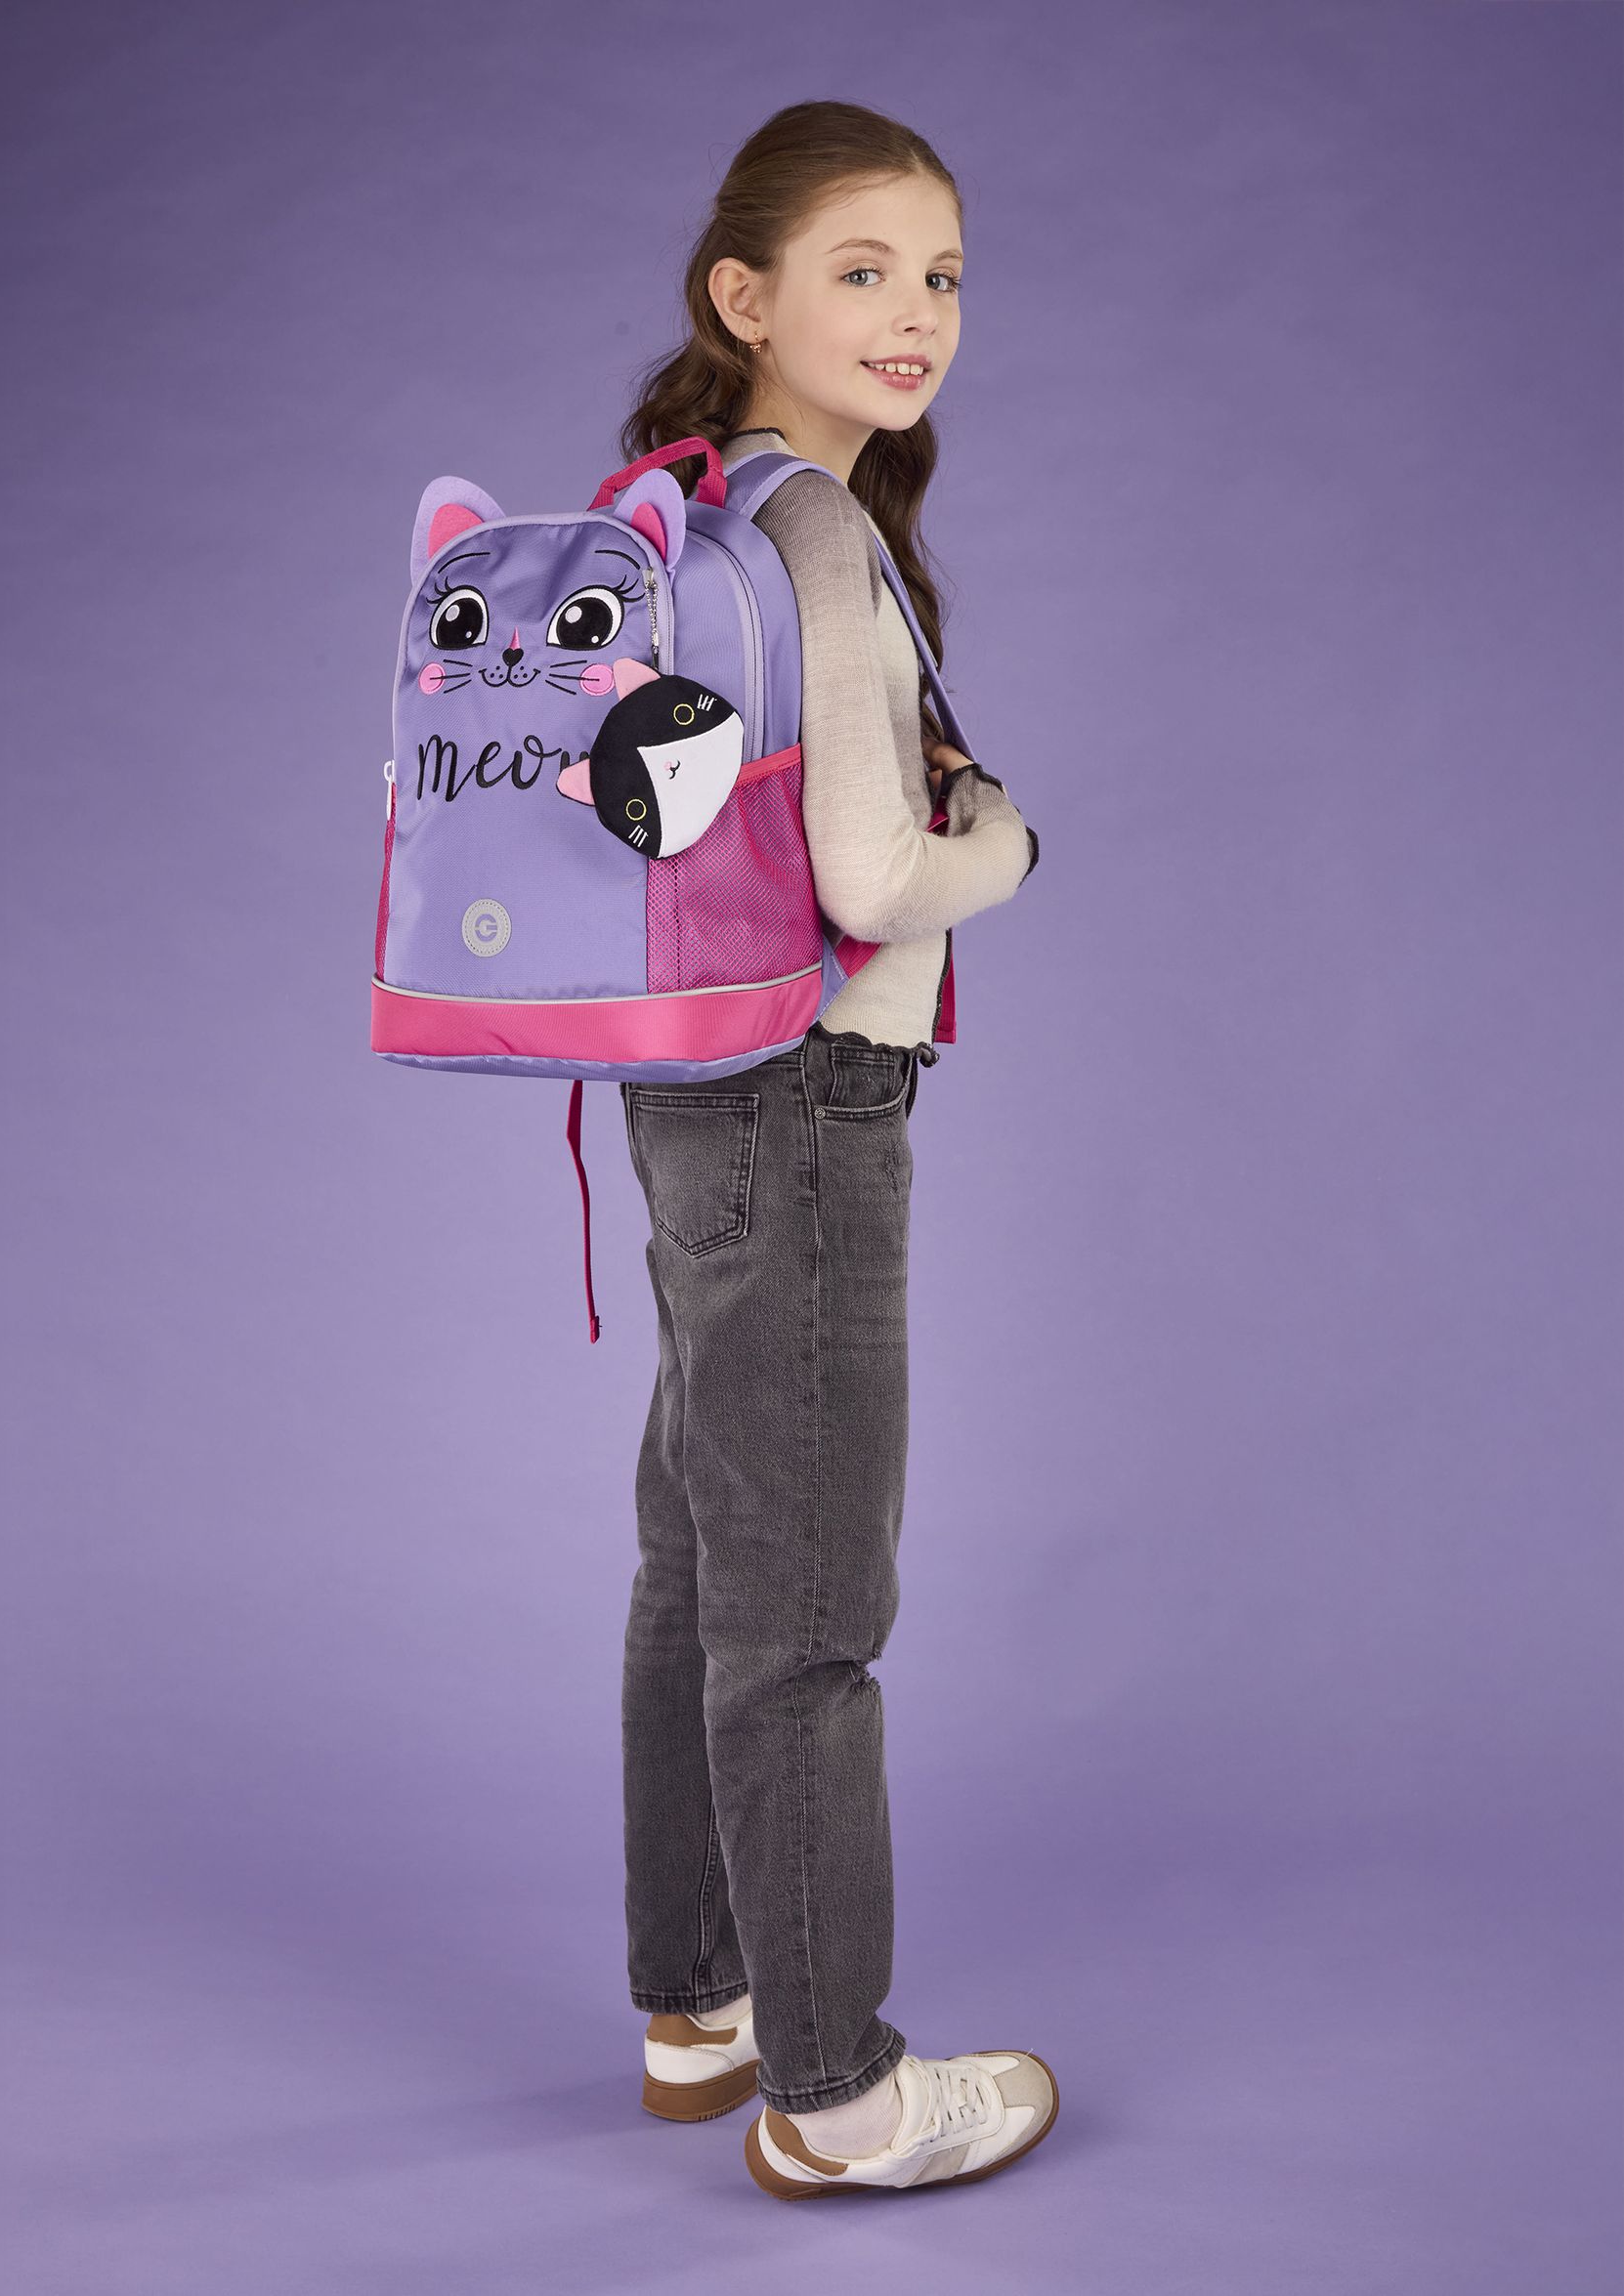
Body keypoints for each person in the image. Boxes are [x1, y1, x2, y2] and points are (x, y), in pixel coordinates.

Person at [614, 100, 1057, 2199]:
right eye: (860, 270)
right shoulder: (815, 539)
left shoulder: (690, 508)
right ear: (745, 295)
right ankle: (839, 2094)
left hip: (684, 1082)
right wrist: (1012, 845)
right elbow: (875, 880)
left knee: (700, 1559)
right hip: (809, 1098)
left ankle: (694, 2008)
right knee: (804, 1609)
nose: (913, 314)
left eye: (940, 275)